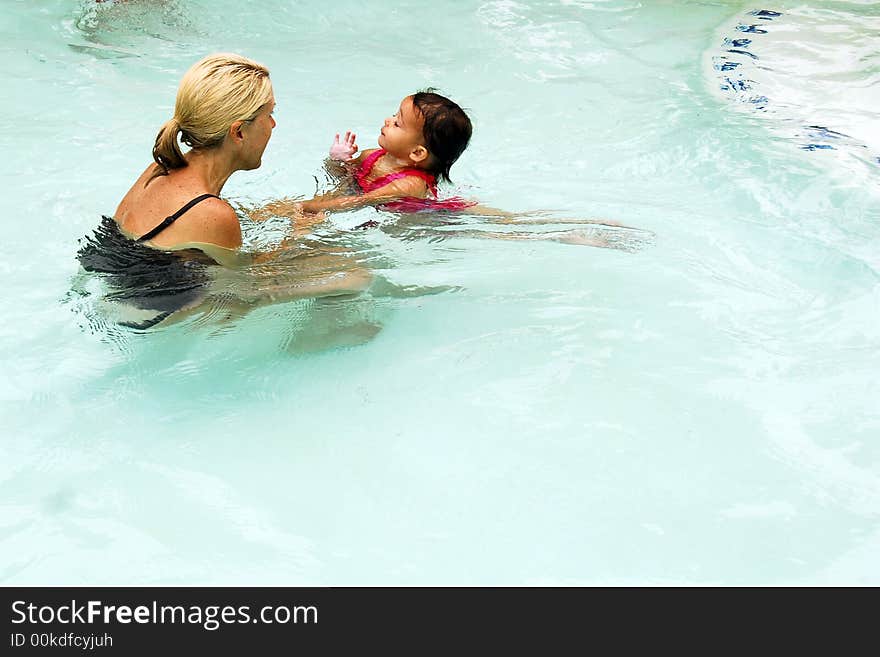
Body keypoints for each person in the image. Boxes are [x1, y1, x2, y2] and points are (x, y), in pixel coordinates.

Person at [76, 53, 366, 329]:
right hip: (145, 319)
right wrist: (299, 234)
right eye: (270, 114)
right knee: (352, 275)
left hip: (106, 291)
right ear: (239, 132)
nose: (274, 124)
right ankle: (310, 345)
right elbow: (246, 284)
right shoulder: (211, 212)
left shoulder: (162, 166)